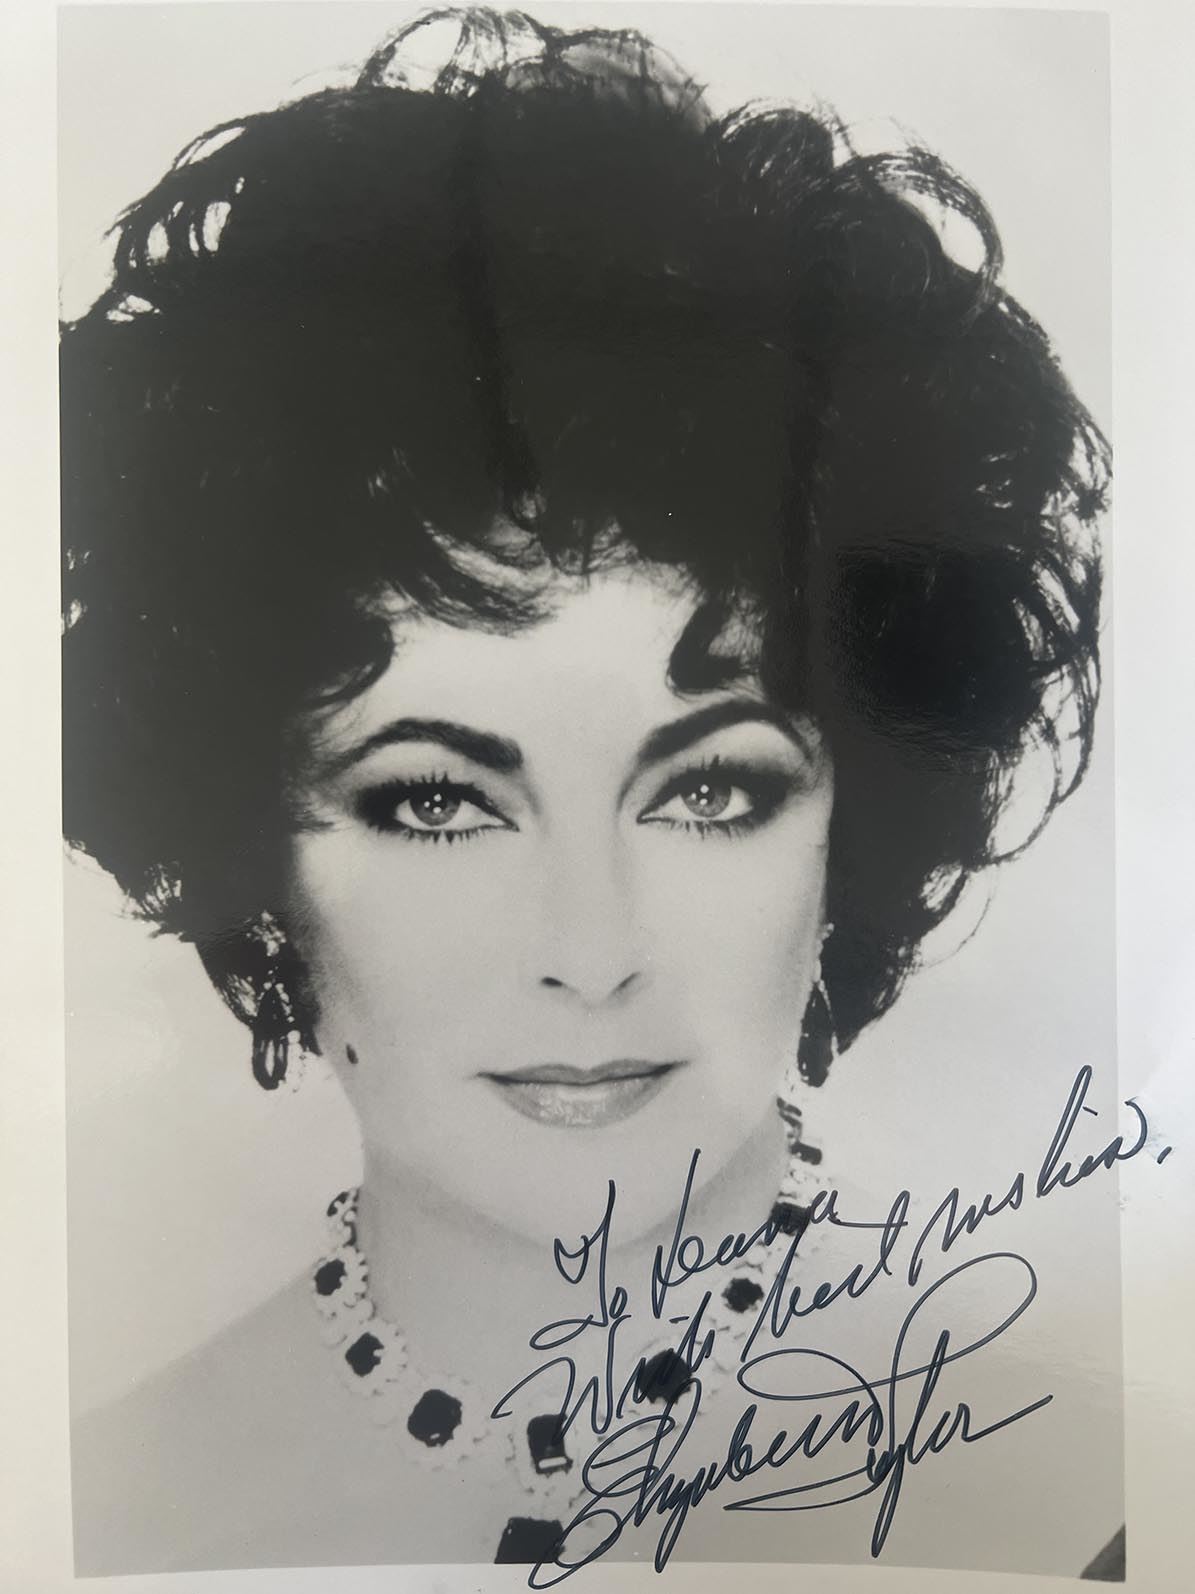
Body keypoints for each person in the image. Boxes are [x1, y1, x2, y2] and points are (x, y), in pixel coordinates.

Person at [61, 5, 1114, 1577]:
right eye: (436, 801)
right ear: (252, 855)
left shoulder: (1102, 1507)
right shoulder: (88, 1516)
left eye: (711, 791)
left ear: (855, 837)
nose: (590, 946)